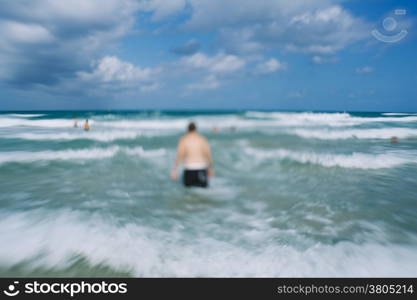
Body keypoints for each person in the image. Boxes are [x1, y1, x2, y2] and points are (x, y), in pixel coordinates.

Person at [171, 122, 213, 188]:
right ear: (196, 129)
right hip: (201, 168)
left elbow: (180, 155)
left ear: (187, 129)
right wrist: (210, 168)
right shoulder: (202, 139)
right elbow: (208, 154)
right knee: (203, 191)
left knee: (189, 193)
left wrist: (175, 170)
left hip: (189, 169)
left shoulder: (184, 139)